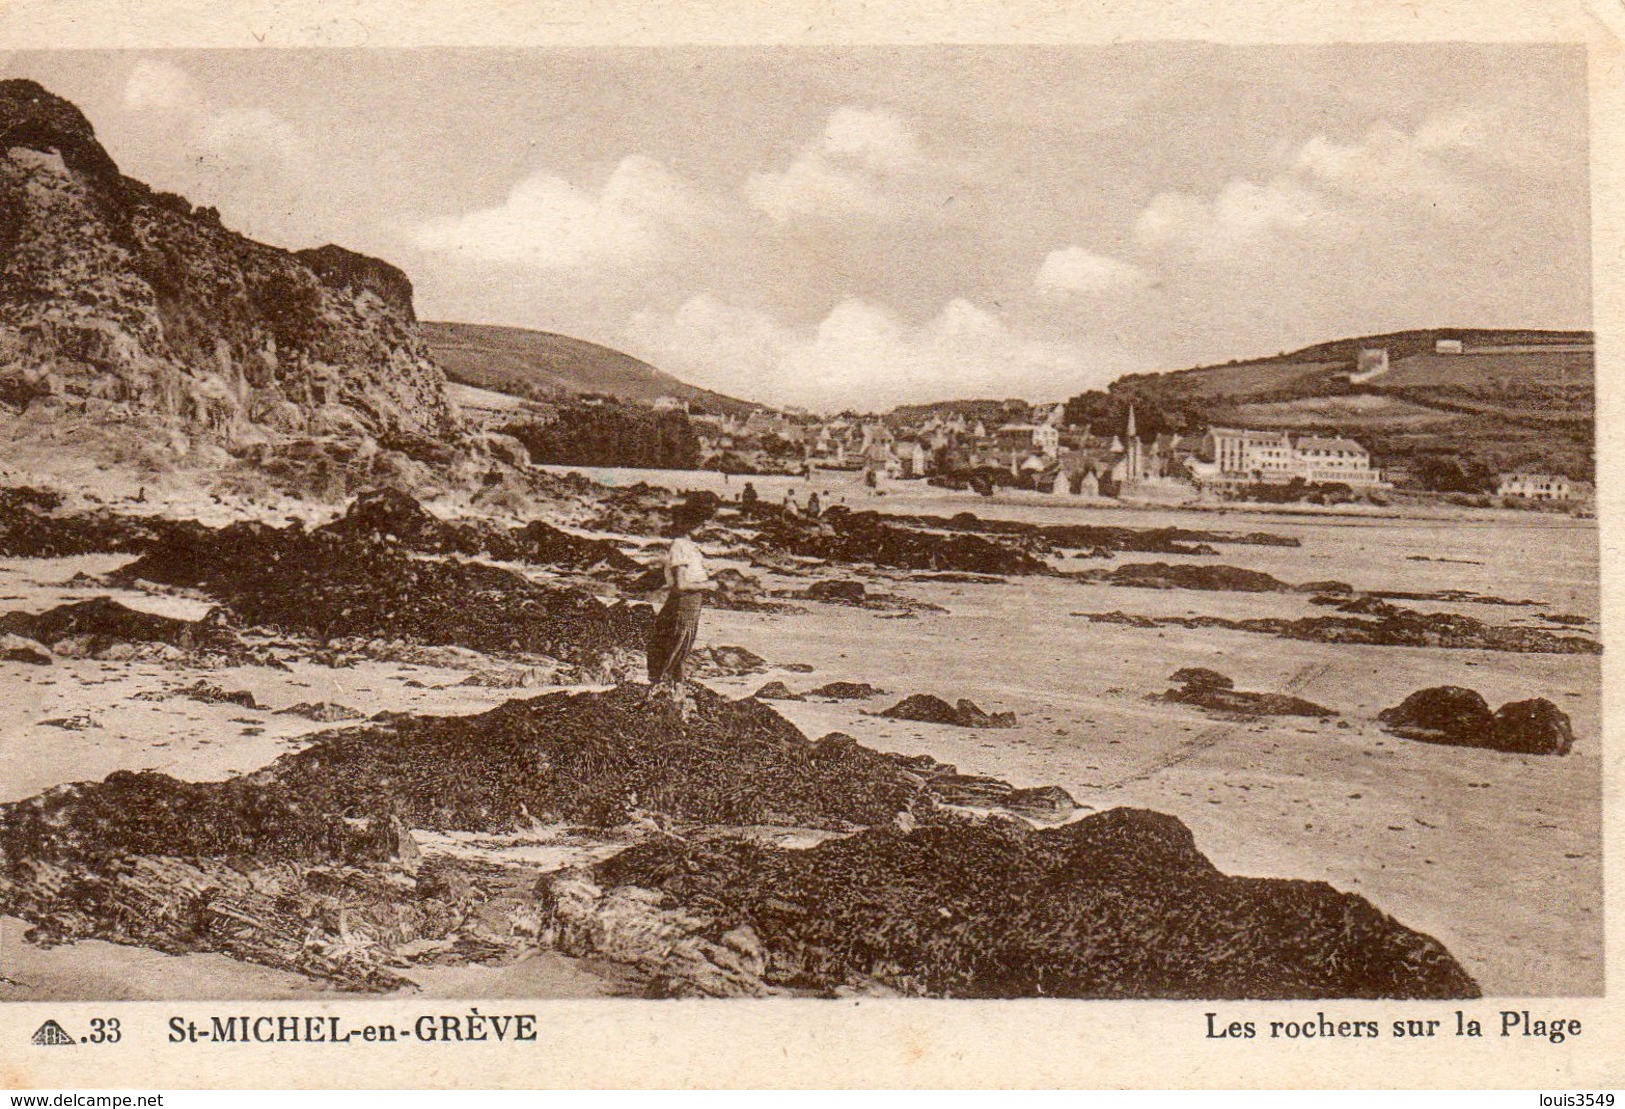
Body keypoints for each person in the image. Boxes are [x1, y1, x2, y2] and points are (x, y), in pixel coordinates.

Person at [645, 494, 718, 709]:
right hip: (682, 604)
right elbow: (681, 585)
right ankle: (662, 695)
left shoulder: (688, 546)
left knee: (680, 650)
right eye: (701, 523)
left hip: (690, 606)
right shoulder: (680, 546)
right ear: (690, 522)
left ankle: (674, 693)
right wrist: (709, 585)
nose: (704, 527)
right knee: (674, 649)